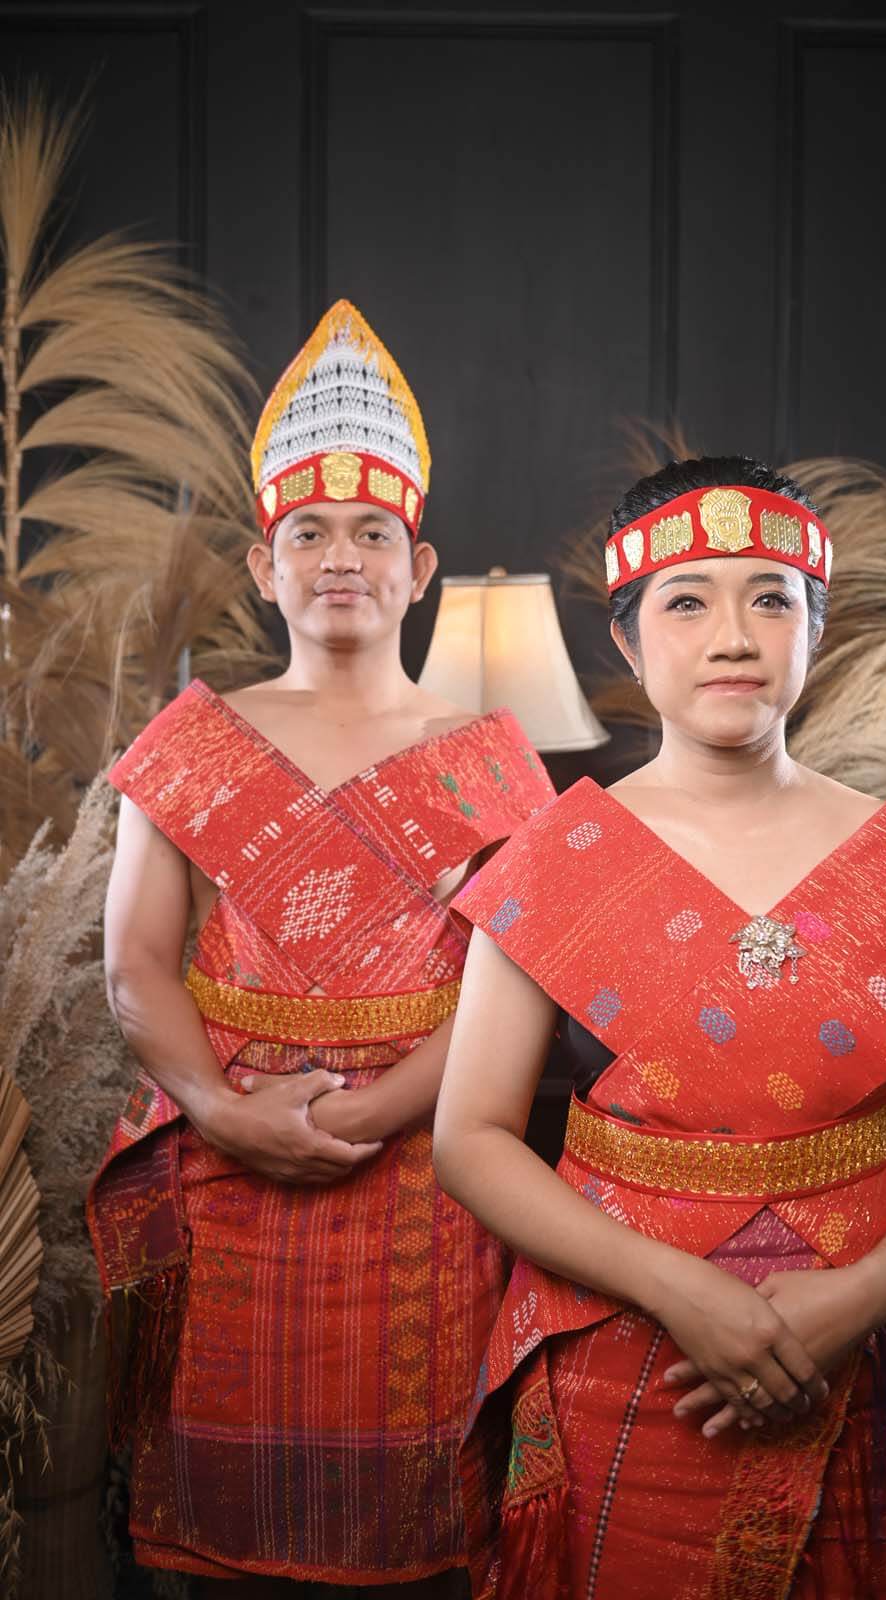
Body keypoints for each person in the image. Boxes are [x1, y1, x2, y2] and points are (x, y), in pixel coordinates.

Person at [433, 455, 886, 1599]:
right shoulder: (553, 860)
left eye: (769, 598)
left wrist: (864, 1292)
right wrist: (675, 1288)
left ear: (815, 629)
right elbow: (469, 1136)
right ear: (626, 640)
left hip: (865, 1354)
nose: (731, 637)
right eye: (685, 601)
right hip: (624, 1351)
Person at [88, 299, 554, 1592]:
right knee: (216, 1522)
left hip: (423, 1175)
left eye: (371, 533)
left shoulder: (491, 762)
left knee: (418, 1516)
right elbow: (135, 964)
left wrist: (368, 1114)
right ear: (263, 565)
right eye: (308, 532)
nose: (340, 556)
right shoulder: (192, 741)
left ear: (419, 565)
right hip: (223, 1165)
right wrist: (225, 1115)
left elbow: (512, 996)